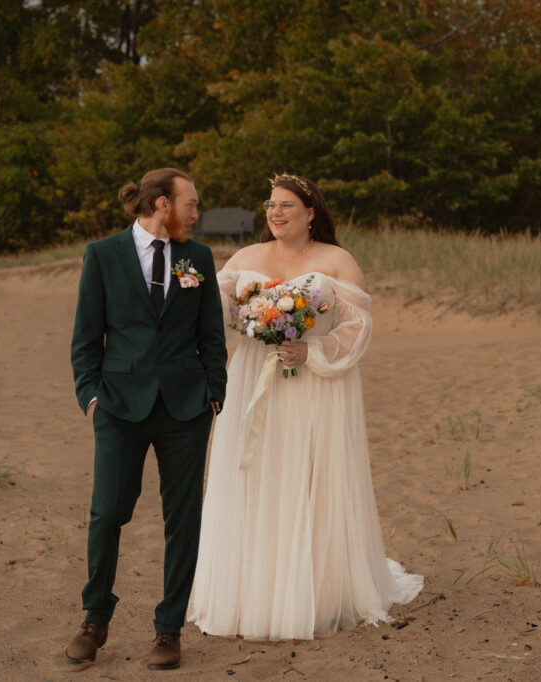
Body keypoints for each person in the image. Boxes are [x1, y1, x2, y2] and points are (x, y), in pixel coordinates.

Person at [187, 173, 423, 641]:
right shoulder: (246, 258)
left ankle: (316, 588)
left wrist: (311, 352)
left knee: (308, 475)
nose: (275, 213)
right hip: (256, 375)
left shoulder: (336, 260)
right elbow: (211, 312)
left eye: (286, 205)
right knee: (255, 473)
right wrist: (196, 286)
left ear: (311, 212)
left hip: (316, 384)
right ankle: (252, 588)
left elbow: (358, 328)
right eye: (270, 205)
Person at [67, 168, 228, 669]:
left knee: (184, 520)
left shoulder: (197, 258)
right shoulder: (102, 255)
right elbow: (86, 338)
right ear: (162, 204)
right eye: (192, 204)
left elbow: (212, 337)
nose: (197, 214)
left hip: (186, 409)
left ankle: (168, 629)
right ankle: (95, 620)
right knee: (107, 513)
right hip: (119, 406)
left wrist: (213, 396)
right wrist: (91, 397)